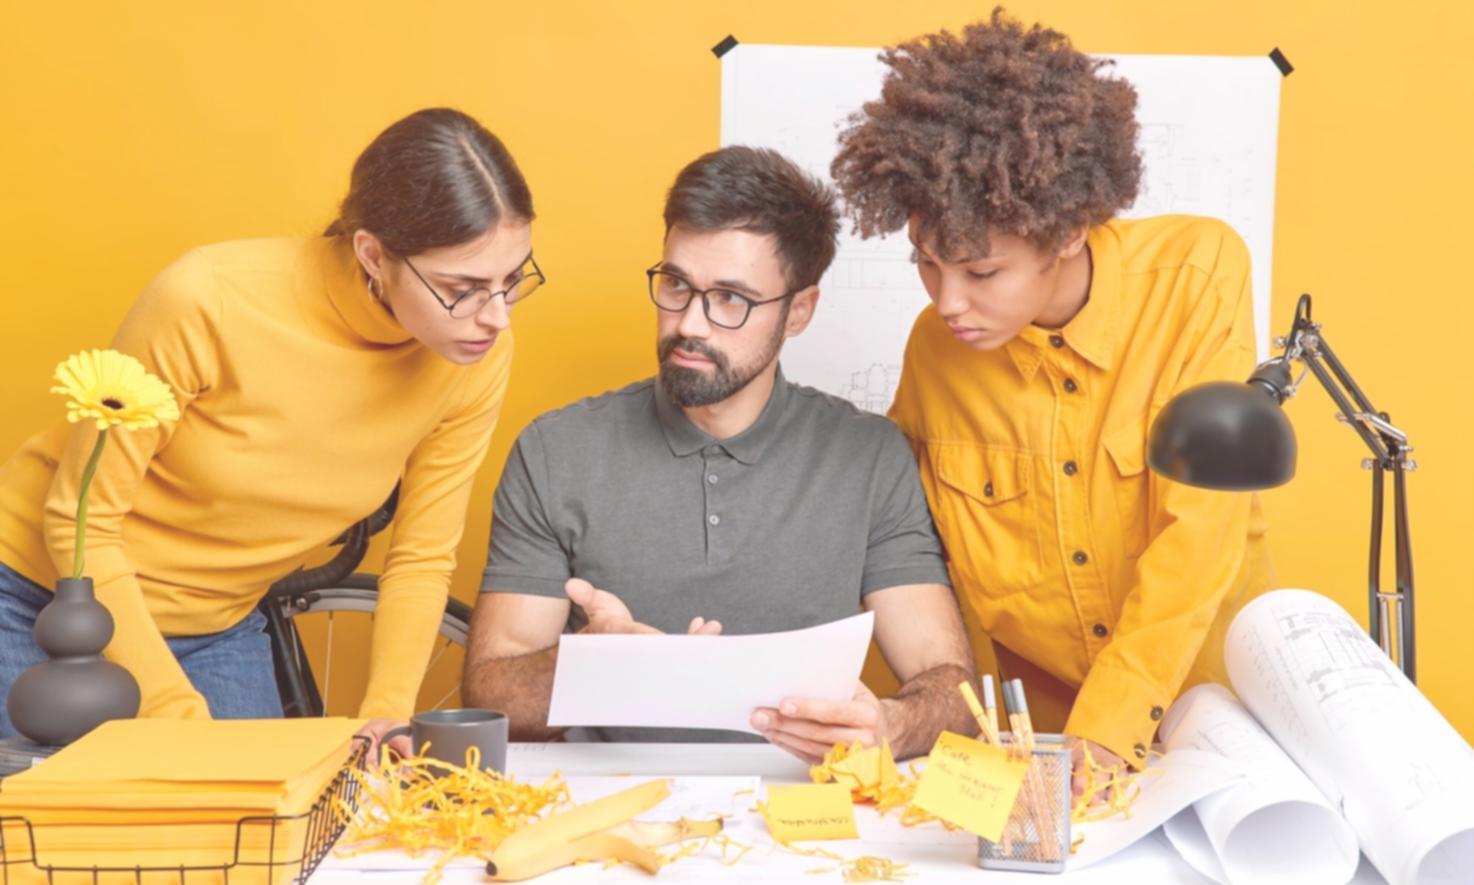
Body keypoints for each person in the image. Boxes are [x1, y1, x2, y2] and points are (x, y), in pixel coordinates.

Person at [0, 108, 542, 752]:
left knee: (264, 838)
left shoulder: (471, 355)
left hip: (218, 623)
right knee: (62, 839)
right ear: (373, 254)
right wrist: (174, 714)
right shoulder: (208, 301)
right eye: (464, 287)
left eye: (513, 280)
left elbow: (422, 554)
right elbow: (78, 520)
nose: (497, 317)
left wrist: (387, 713)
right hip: (45, 602)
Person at [830, 10, 1274, 792]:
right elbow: (908, 551)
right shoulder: (935, 351)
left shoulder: (1198, 275)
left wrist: (1107, 733)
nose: (948, 301)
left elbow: (1199, 536)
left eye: (980, 271)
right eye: (927, 265)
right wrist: (936, 732)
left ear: (1068, 230)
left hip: (1212, 721)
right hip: (1031, 745)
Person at [463, 146, 976, 762]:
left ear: (799, 312)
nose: (690, 325)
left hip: (804, 810)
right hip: (603, 805)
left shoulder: (869, 457)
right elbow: (488, 693)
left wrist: (890, 727)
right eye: (676, 285)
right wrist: (590, 670)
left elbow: (952, 687)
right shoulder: (556, 451)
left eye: (731, 298)